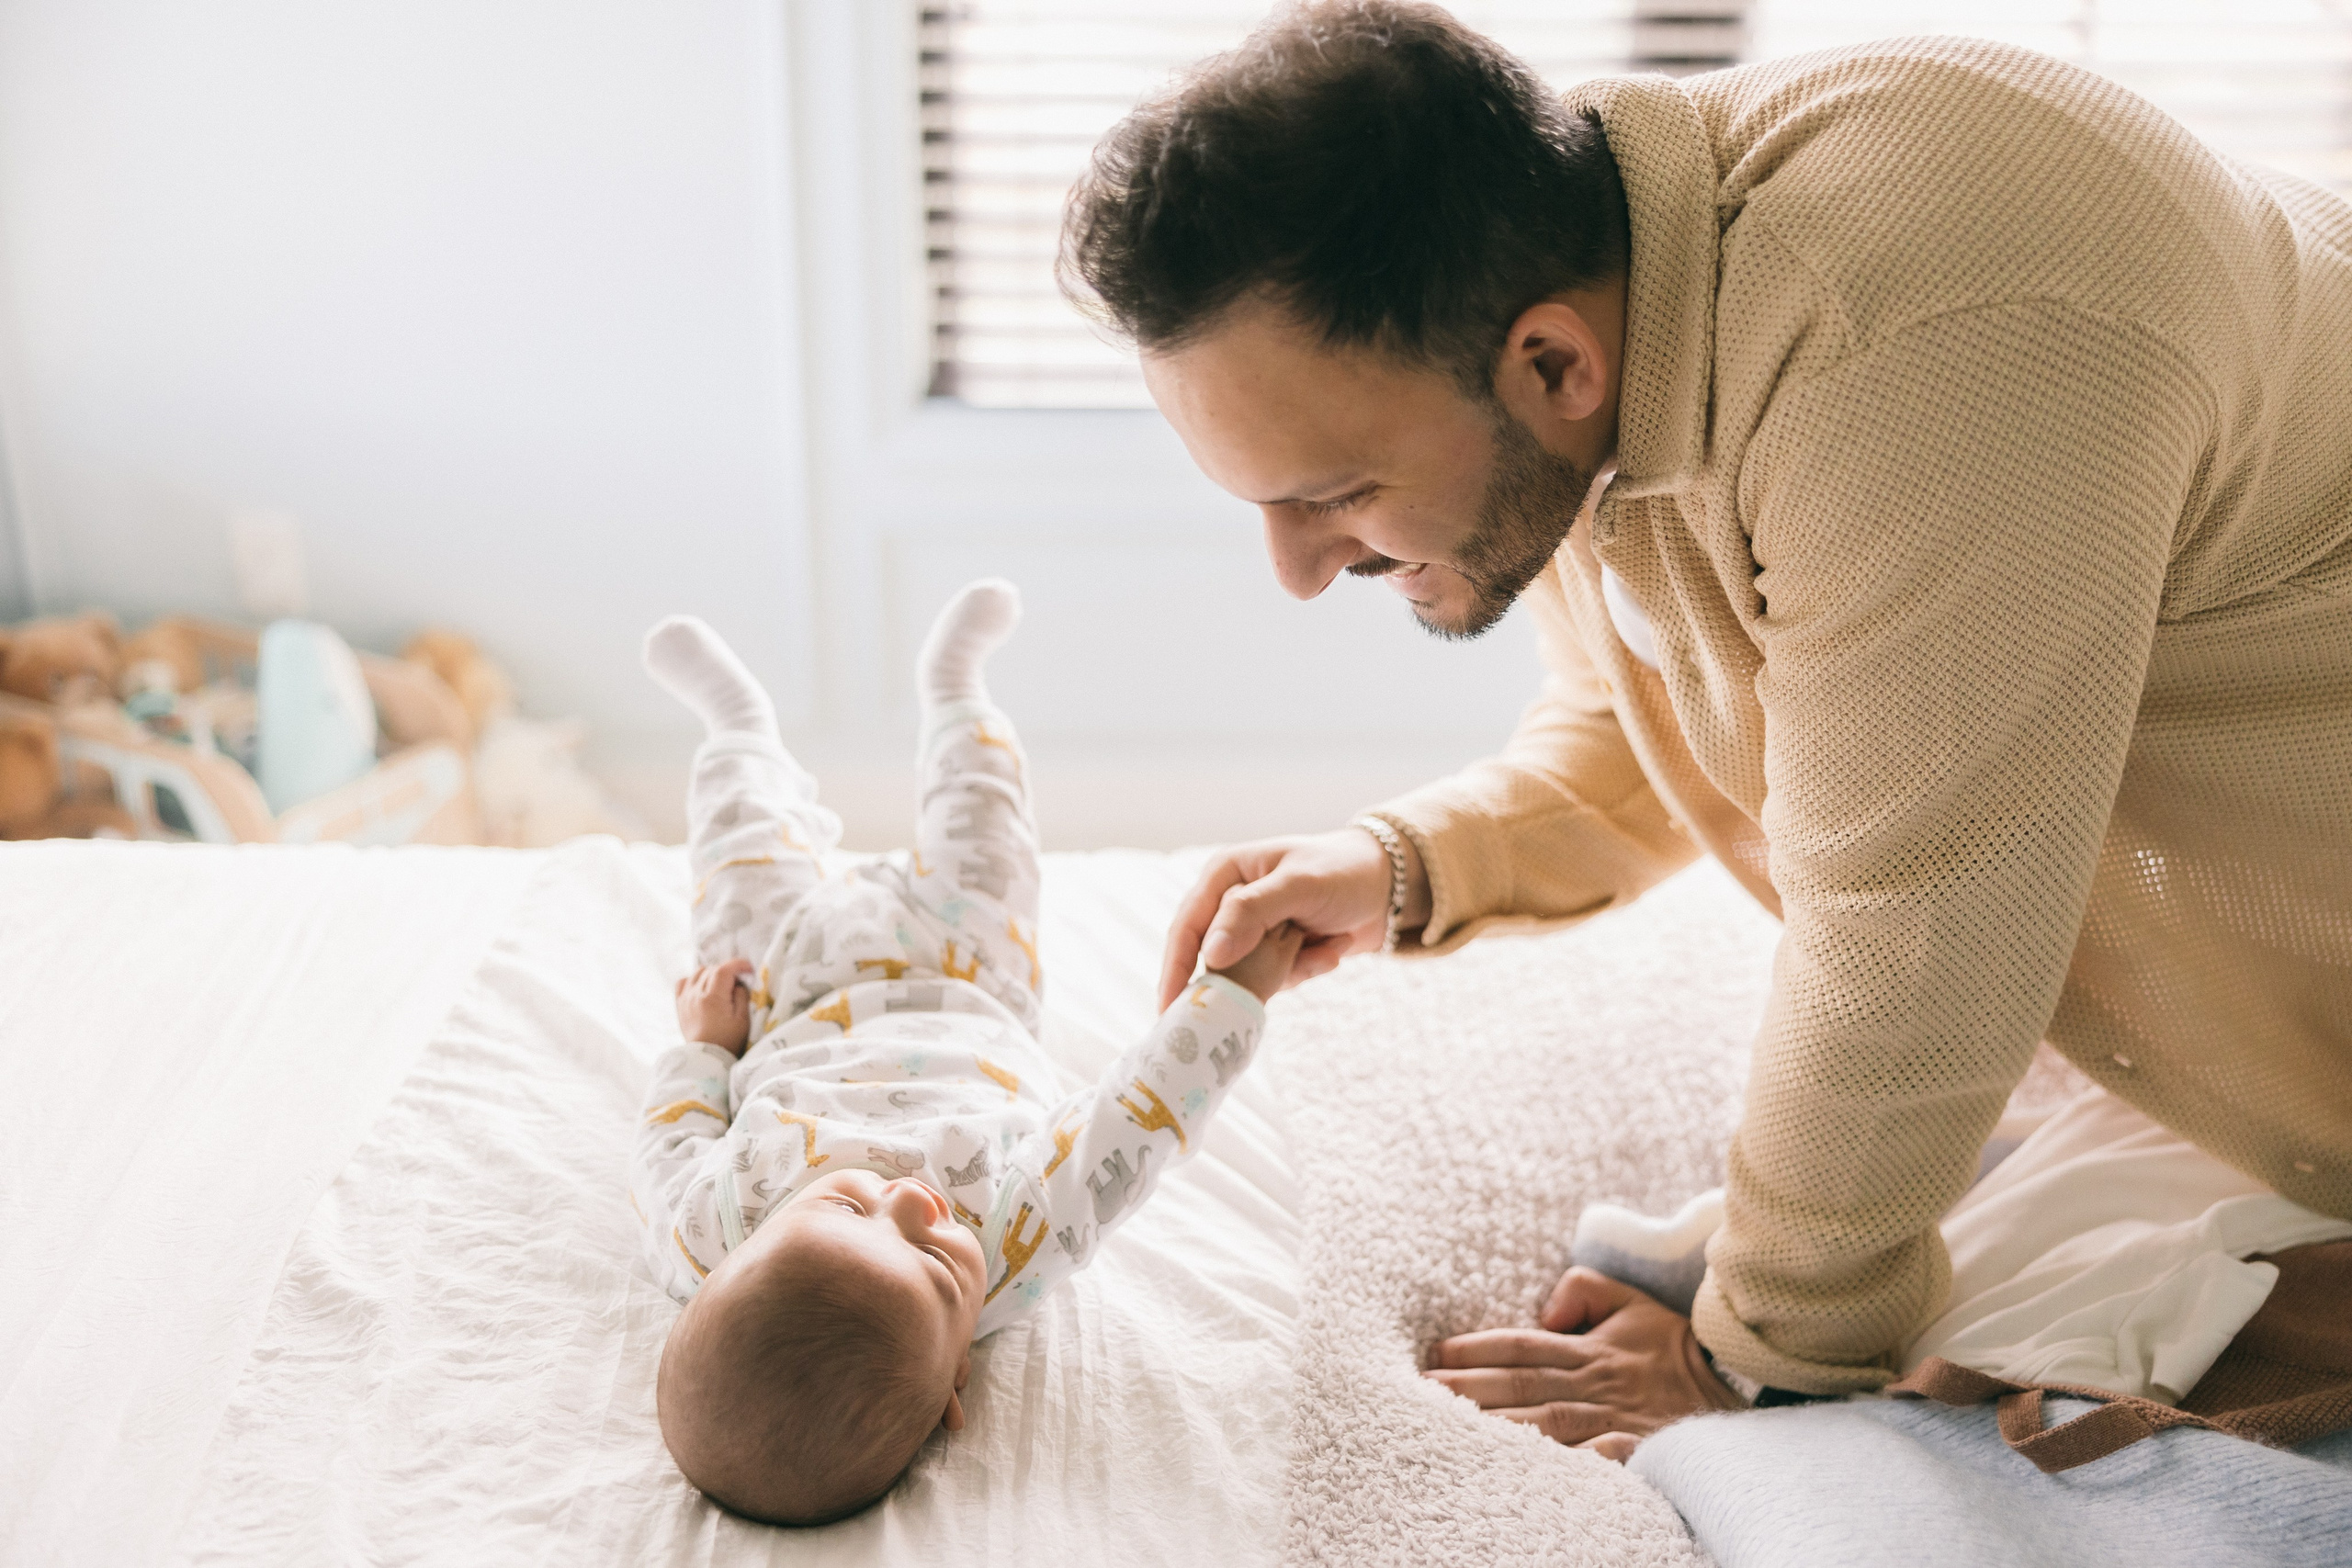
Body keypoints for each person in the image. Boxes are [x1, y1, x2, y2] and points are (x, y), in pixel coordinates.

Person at [1060, 1, 2352, 1450]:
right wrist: (1407, 863)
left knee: (2057, 1397)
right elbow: (1674, 701)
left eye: (1335, 492)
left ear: (1553, 366)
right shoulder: (1593, 266)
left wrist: (1753, 1361)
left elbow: (1917, 922)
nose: (1297, 573)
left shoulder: (1912, 344)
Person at [630, 581, 1301, 1523]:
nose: (911, 1200)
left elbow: (668, 1146)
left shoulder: (709, 1235)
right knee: (986, 823)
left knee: (738, 854)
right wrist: (1231, 998)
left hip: (785, 995)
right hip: (968, 973)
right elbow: (1135, 1122)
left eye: (848, 1205)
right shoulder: (1013, 1240)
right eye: (936, 1263)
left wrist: (704, 1050)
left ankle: (735, 725)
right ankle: (955, 692)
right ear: (954, 1388)